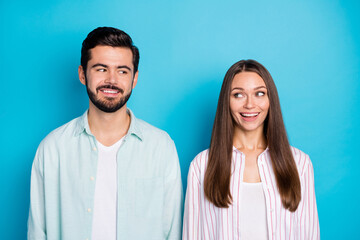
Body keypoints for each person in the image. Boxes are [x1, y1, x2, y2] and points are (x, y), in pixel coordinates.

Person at [28, 27, 183, 240]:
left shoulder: (161, 147)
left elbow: (173, 230)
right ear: (83, 74)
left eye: (122, 71)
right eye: (101, 69)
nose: (112, 80)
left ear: (134, 78)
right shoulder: (53, 148)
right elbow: (38, 231)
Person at [183, 60, 319, 239]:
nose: (249, 104)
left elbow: (309, 234)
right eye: (238, 95)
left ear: (270, 99)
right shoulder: (201, 166)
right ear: (227, 101)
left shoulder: (300, 163)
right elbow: (192, 235)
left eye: (259, 93)